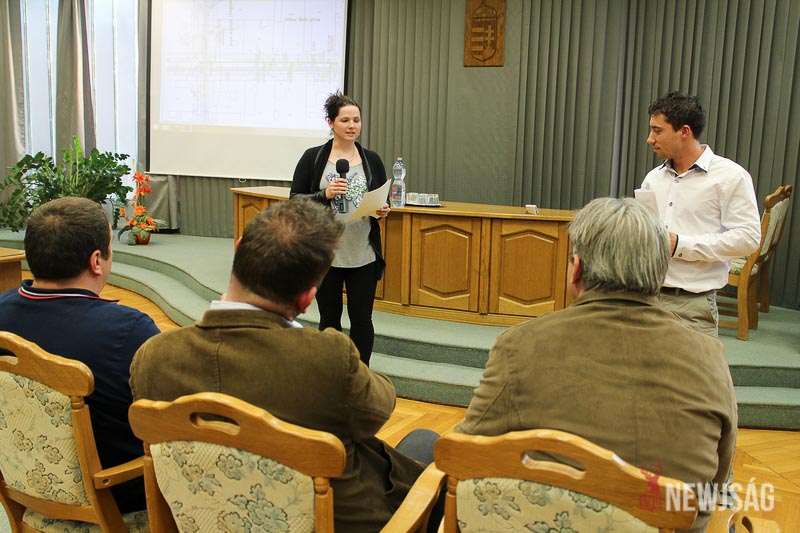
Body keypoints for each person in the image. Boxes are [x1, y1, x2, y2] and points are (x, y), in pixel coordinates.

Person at [130, 199, 439, 533]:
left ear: (238, 250)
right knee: (425, 443)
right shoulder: (327, 358)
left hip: (204, 522)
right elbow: (380, 409)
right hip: (343, 523)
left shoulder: (152, 358)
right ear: (308, 298)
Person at [456, 197, 737, 533]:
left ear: (576, 269)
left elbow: (464, 450)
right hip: (671, 525)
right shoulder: (709, 355)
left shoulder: (519, 344)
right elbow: (718, 478)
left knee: (420, 444)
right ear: (660, 273)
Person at [0, 197, 160, 513]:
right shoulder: (128, 330)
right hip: (119, 503)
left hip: (24, 488)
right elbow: (168, 419)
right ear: (96, 260)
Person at [642, 91, 761, 336]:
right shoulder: (653, 179)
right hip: (646, 299)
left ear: (684, 132)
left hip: (693, 306)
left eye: (657, 130)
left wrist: (681, 245)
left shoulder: (730, 177)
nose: (650, 139)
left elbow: (748, 238)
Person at [290, 91, 390, 366]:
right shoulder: (313, 158)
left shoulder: (372, 159)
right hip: (326, 254)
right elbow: (295, 200)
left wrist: (383, 210)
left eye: (356, 120)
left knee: (362, 319)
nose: (352, 125)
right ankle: (331, 372)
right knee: (330, 319)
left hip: (363, 254)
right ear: (331, 123)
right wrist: (325, 194)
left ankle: (360, 374)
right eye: (345, 120)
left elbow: (383, 198)